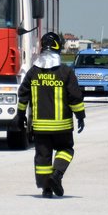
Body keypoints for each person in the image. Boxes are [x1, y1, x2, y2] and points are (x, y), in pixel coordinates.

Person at [16, 31, 86, 197]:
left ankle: (46, 188)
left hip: (40, 126)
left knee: (43, 157)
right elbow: (75, 97)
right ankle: (56, 175)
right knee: (66, 149)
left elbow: (23, 95)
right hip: (62, 125)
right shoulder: (65, 72)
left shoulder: (33, 72)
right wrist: (80, 116)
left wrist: (20, 116)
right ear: (58, 47)